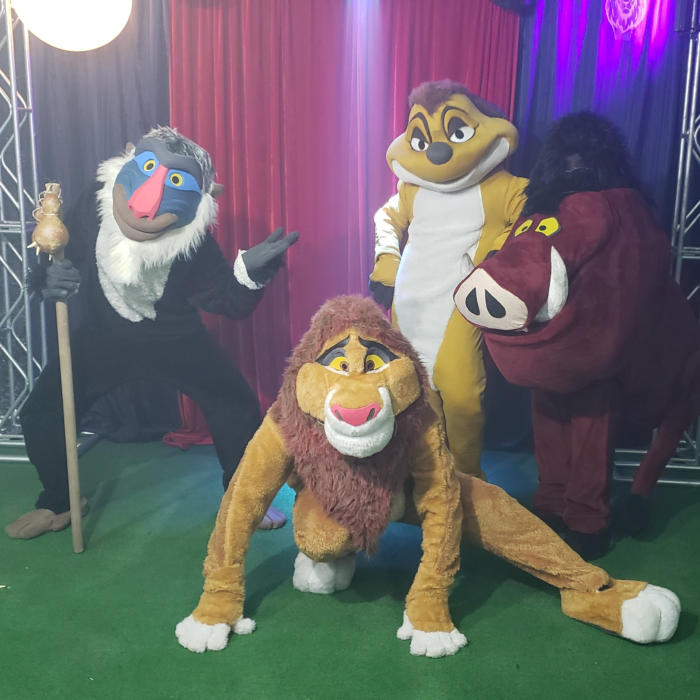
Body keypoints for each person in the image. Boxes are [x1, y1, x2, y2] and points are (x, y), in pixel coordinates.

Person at [6, 126, 298, 539]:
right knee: (41, 412)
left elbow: (227, 301)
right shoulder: (95, 204)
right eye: (146, 169)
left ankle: (243, 498)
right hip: (103, 335)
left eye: (175, 181)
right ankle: (60, 500)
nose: (145, 204)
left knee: (235, 404)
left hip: (174, 338)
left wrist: (250, 275)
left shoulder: (193, 241)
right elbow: (60, 253)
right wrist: (50, 277)